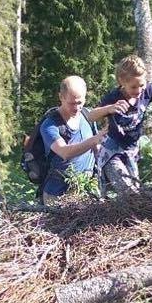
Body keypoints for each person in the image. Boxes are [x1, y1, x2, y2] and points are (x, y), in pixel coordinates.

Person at [95, 55, 152, 195]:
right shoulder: (113, 97)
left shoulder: (147, 91)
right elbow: (90, 116)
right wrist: (109, 108)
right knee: (127, 190)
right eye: (133, 87)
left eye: (141, 85)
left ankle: (124, 216)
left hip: (131, 150)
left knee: (134, 190)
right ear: (121, 81)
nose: (138, 90)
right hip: (112, 152)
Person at [38, 76, 130, 206]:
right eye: (72, 103)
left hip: (86, 189)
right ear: (61, 97)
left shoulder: (86, 116)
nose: (76, 108)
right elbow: (64, 152)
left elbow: (96, 149)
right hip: (57, 194)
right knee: (61, 226)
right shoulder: (50, 125)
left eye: (80, 102)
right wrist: (94, 140)